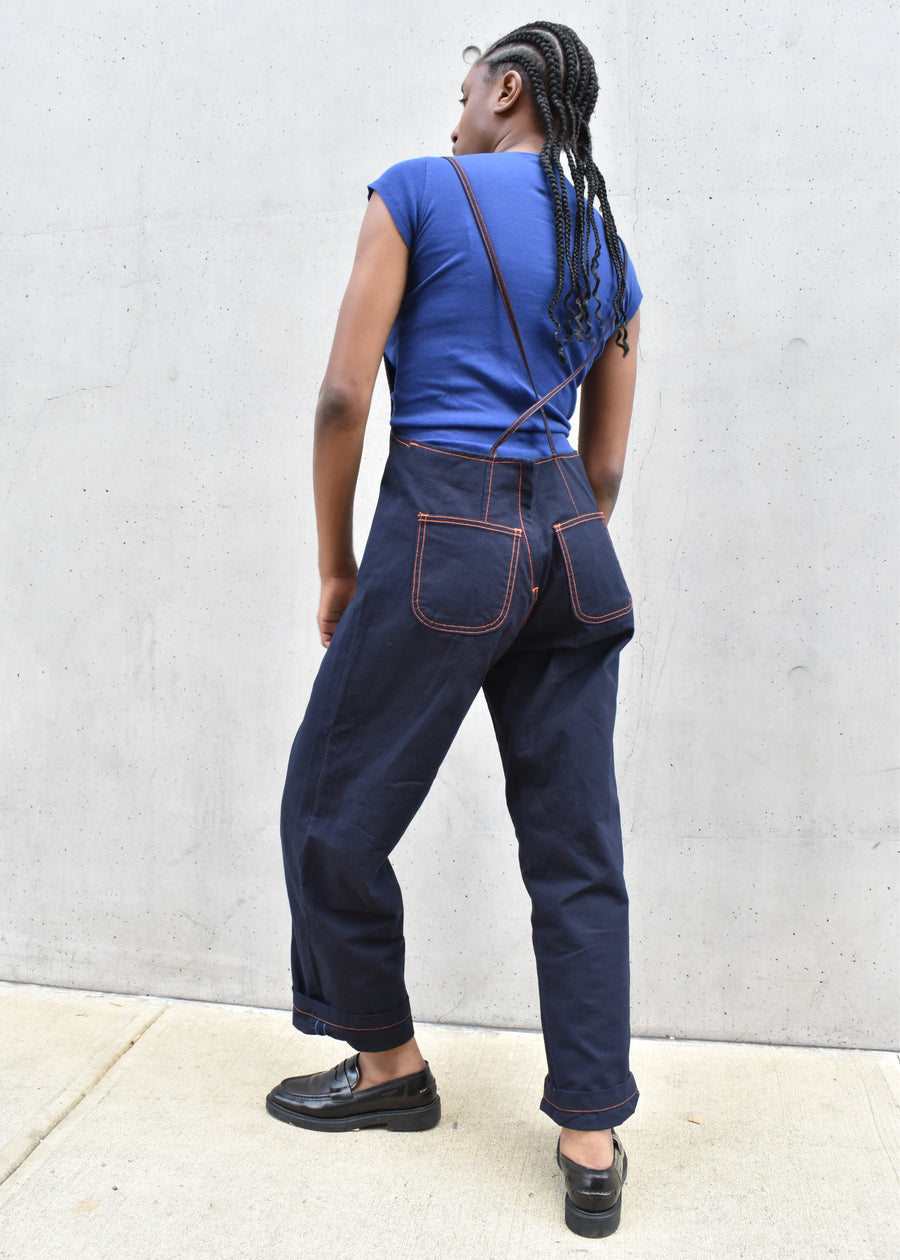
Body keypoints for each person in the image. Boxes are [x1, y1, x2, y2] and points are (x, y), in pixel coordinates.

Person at [266, 21, 642, 1239]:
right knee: (576, 848)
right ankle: (591, 1137)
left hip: (443, 527)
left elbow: (343, 396)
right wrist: (548, 539)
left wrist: (338, 563)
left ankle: (387, 1066)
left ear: (508, 88)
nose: (454, 110)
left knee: (330, 807)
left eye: (466, 86)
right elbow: (607, 463)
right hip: (573, 542)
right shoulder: (602, 240)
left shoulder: (418, 190)